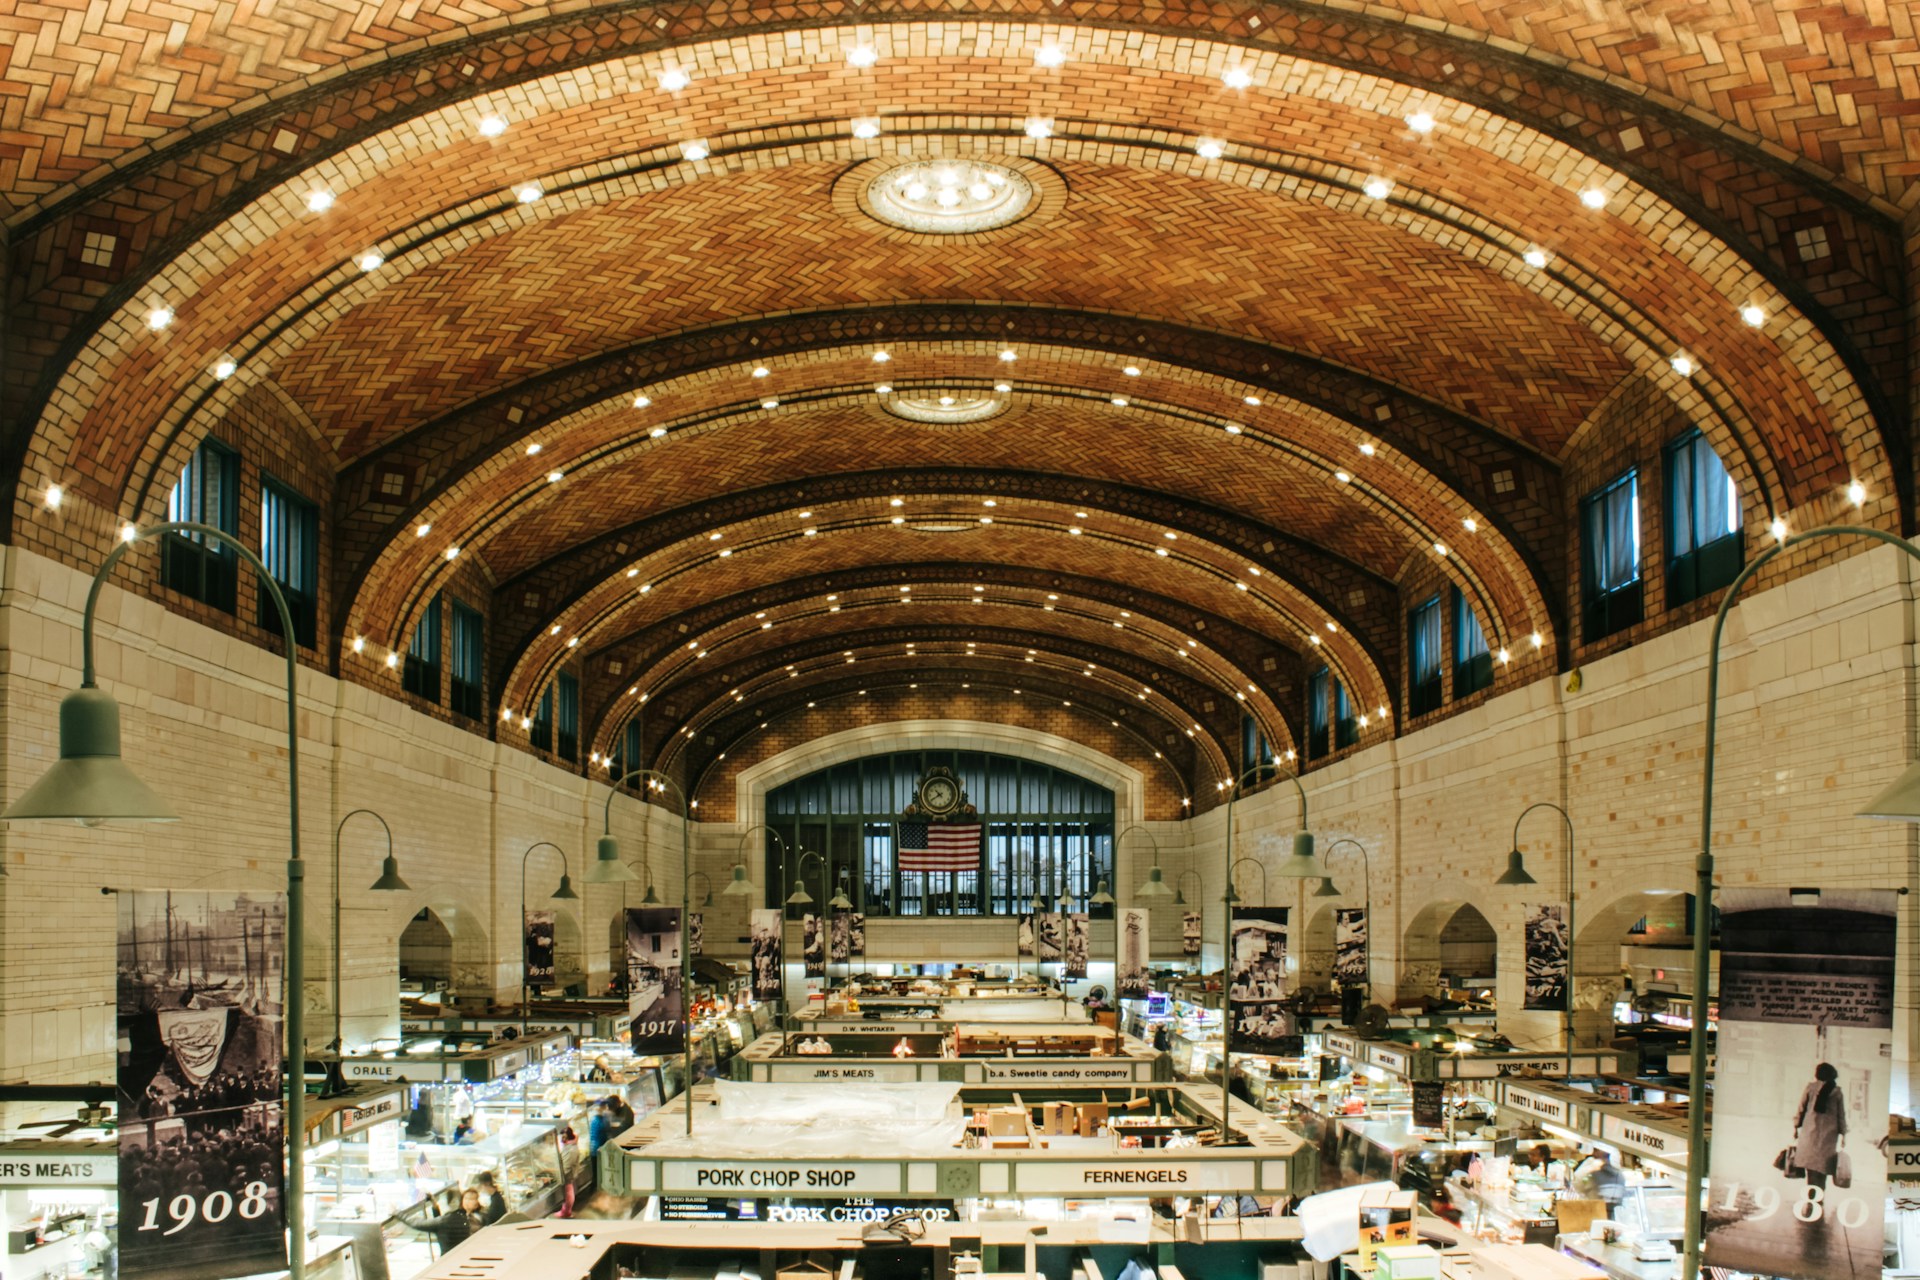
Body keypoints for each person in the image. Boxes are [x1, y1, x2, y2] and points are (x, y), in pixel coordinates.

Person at [1792, 1061, 1849, 1199]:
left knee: (1811, 1169)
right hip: (1828, 1137)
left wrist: (1796, 1126)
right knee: (1823, 1169)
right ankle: (1819, 1197)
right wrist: (1843, 1134)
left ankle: (1811, 1197)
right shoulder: (1837, 1092)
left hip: (1809, 1134)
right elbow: (1841, 1115)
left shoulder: (1810, 1088)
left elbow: (1801, 1108)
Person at [415, 1187, 483, 1254]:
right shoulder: (455, 1216)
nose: (468, 1201)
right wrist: (434, 1205)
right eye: (466, 1198)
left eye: (472, 1199)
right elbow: (441, 1223)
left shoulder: (479, 1217)